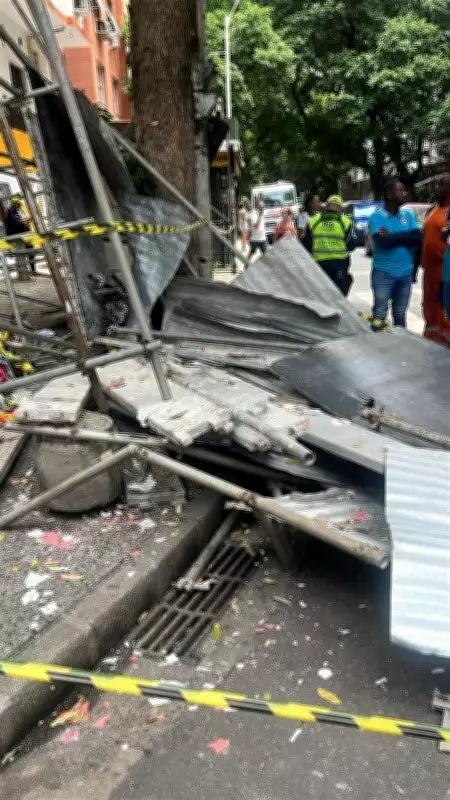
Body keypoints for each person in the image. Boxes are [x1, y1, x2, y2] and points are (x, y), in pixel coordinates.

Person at [368, 179, 422, 329]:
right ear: (390, 195)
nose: (405, 194)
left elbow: (418, 239)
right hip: (383, 273)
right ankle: (377, 346)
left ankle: (400, 347)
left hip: (405, 273)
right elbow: (383, 243)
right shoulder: (377, 217)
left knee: (400, 314)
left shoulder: (408, 215)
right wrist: (407, 236)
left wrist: (392, 236)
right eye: (401, 190)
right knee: (379, 313)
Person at [303, 194, 356, 295]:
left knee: (323, 295)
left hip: (319, 264)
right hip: (339, 264)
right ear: (340, 208)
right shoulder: (345, 221)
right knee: (339, 294)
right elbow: (351, 245)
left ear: (327, 206)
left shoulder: (314, 221)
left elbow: (306, 245)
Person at [421, 173, 450, 344]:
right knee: (430, 304)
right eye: (436, 184)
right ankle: (432, 337)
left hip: (445, 269)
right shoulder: (432, 209)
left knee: (444, 306)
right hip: (430, 269)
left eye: (441, 184)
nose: (436, 188)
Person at [4, 196, 35, 274]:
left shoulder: (20, 211)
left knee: (30, 250)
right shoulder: (10, 211)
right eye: (18, 204)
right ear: (14, 204)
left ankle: (33, 269)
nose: (20, 205)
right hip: (18, 236)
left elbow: (24, 221)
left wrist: (27, 221)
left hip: (26, 234)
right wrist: (26, 219)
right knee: (21, 253)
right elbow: (16, 222)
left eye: (20, 204)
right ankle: (24, 271)